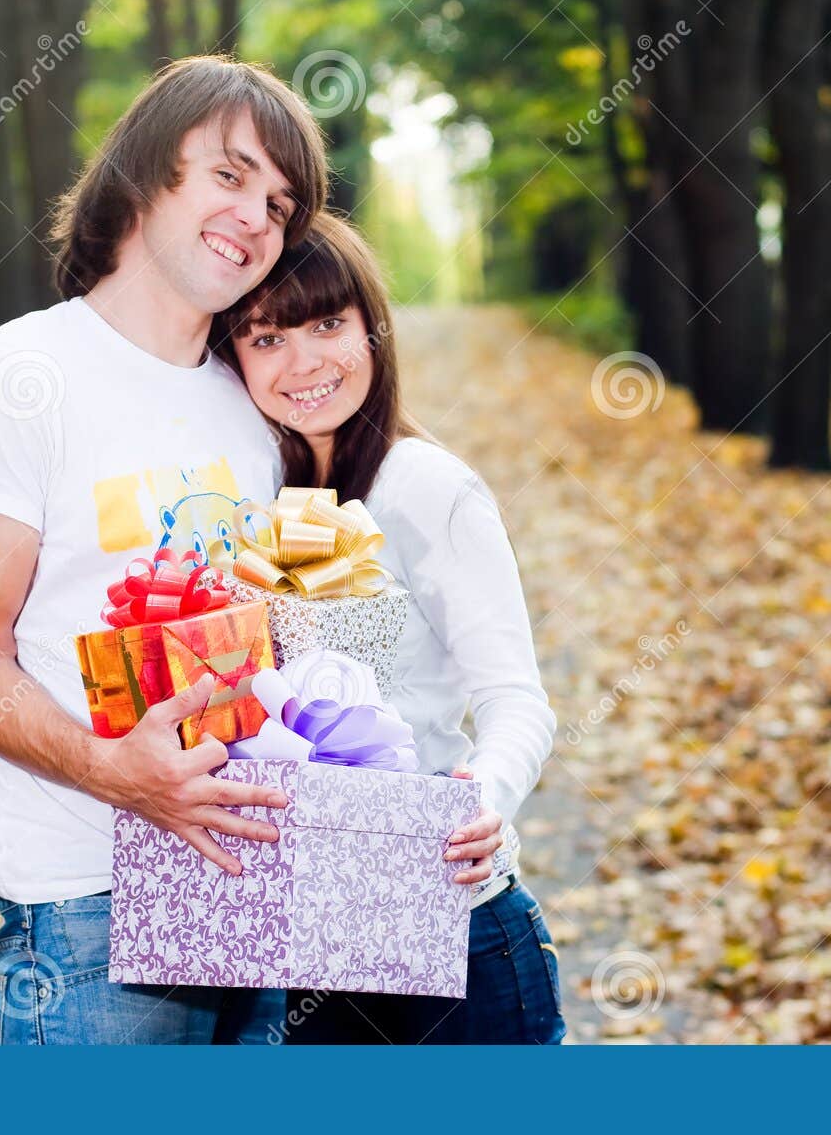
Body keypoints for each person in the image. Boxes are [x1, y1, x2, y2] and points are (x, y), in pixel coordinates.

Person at [0, 58, 350, 1044]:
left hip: (246, 872)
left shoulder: (250, 402)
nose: (255, 218)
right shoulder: (16, 378)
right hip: (85, 900)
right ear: (148, 173)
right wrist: (115, 771)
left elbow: (284, 635)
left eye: (279, 204)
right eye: (229, 176)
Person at [210, 214, 565, 1044]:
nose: (306, 362)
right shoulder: (266, 494)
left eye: (329, 324)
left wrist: (483, 800)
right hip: (320, 936)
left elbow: (518, 699)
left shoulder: (427, 486)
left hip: (455, 927)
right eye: (267, 338)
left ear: (373, 328)